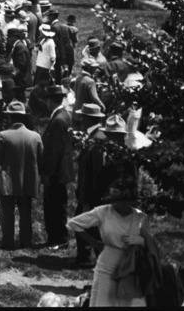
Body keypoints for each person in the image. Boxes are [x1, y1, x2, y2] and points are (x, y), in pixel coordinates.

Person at [66, 184, 149, 306]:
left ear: (131, 201)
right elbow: (74, 224)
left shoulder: (140, 217)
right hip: (108, 264)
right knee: (104, 301)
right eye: (117, 201)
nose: (119, 204)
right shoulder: (103, 212)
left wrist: (139, 240)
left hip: (132, 265)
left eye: (124, 201)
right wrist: (95, 243)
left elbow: (150, 243)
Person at [0, 101, 43, 250]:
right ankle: (26, 241)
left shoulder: (4, 135)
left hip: (7, 179)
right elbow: (41, 160)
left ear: (10, 117)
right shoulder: (35, 136)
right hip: (28, 179)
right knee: (26, 211)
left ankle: (8, 242)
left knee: (7, 211)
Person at [40, 85, 75, 250]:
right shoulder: (63, 116)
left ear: (50, 101)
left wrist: (48, 172)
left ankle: (59, 239)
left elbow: (55, 150)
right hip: (61, 170)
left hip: (56, 172)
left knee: (55, 206)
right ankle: (55, 238)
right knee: (56, 205)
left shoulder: (58, 120)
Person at [73, 104, 107, 267]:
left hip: (92, 194)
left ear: (88, 119)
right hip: (88, 192)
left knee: (86, 225)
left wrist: (88, 198)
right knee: (86, 225)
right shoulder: (94, 135)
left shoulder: (98, 138)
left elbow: (96, 172)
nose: (80, 120)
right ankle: (86, 257)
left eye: (82, 117)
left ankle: (89, 258)